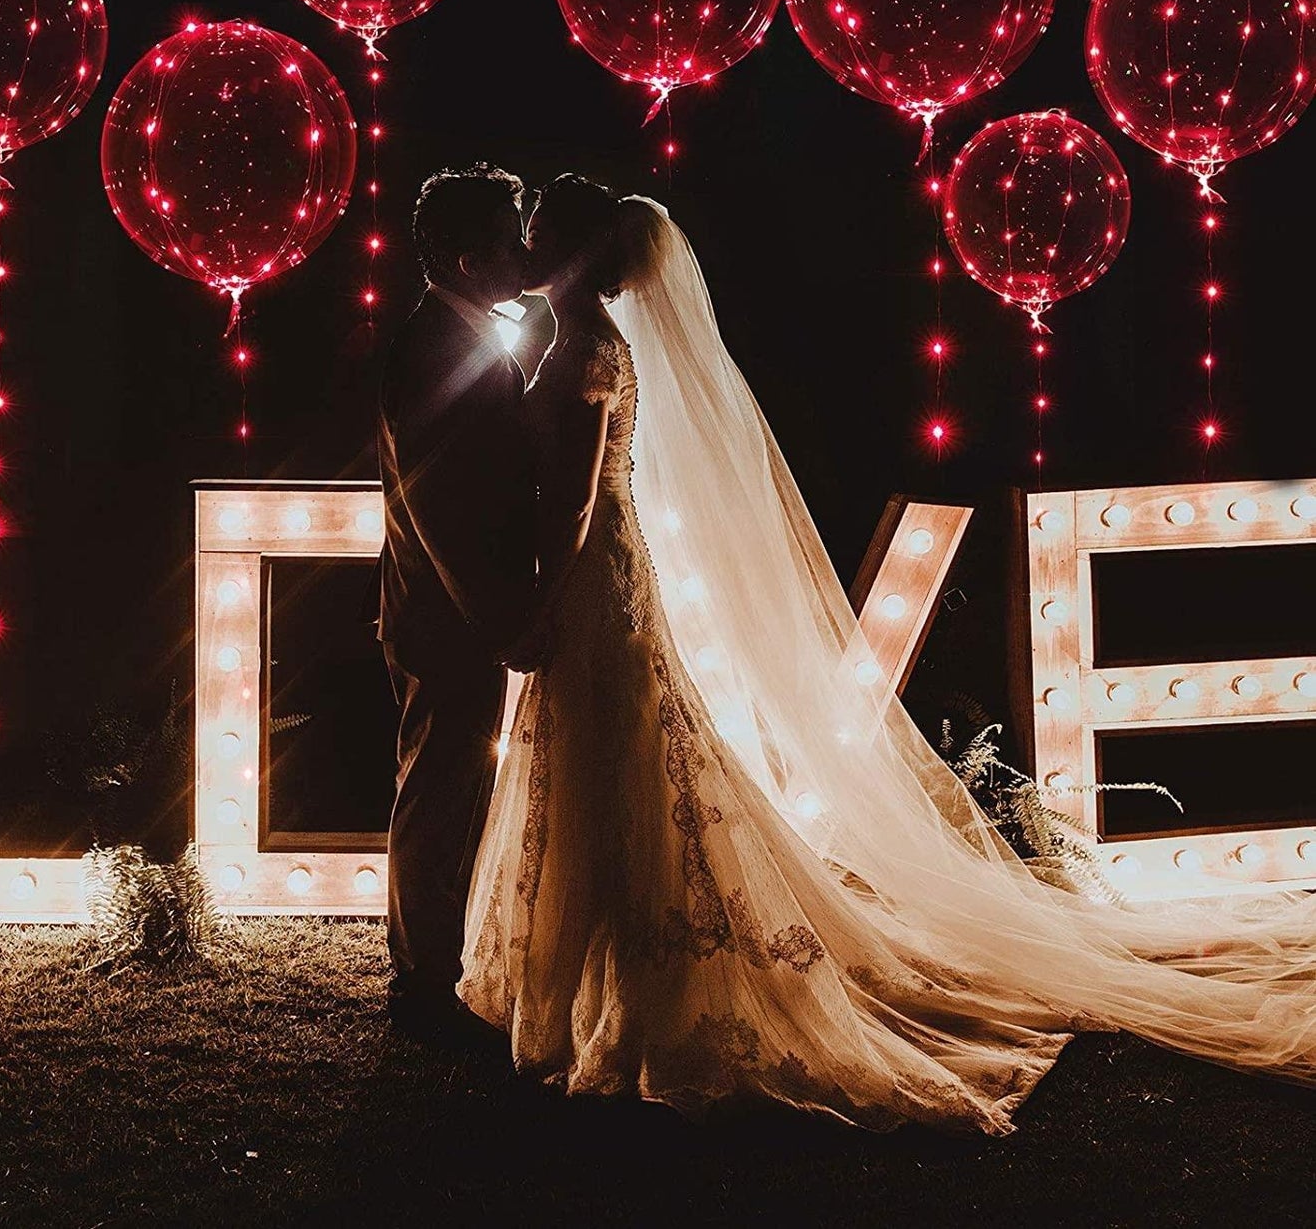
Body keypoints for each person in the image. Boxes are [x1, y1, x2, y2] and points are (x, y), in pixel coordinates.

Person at [459, 181, 1316, 1132]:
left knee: (615, 753)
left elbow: (574, 503)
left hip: (589, 577)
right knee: (608, 756)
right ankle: (600, 964)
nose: (526, 248)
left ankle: (637, 968)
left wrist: (534, 599)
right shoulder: (584, 343)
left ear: (575, 257)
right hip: (599, 574)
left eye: (540, 235)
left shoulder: (583, 351)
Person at [375, 163, 536, 1048]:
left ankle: (445, 966)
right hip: (447, 613)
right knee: (436, 789)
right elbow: (441, 507)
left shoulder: (461, 332)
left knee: (454, 784)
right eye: (512, 237)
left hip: (459, 609)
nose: (524, 252)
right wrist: (494, 614)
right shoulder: (435, 346)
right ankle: (423, 983)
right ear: (471, 258)